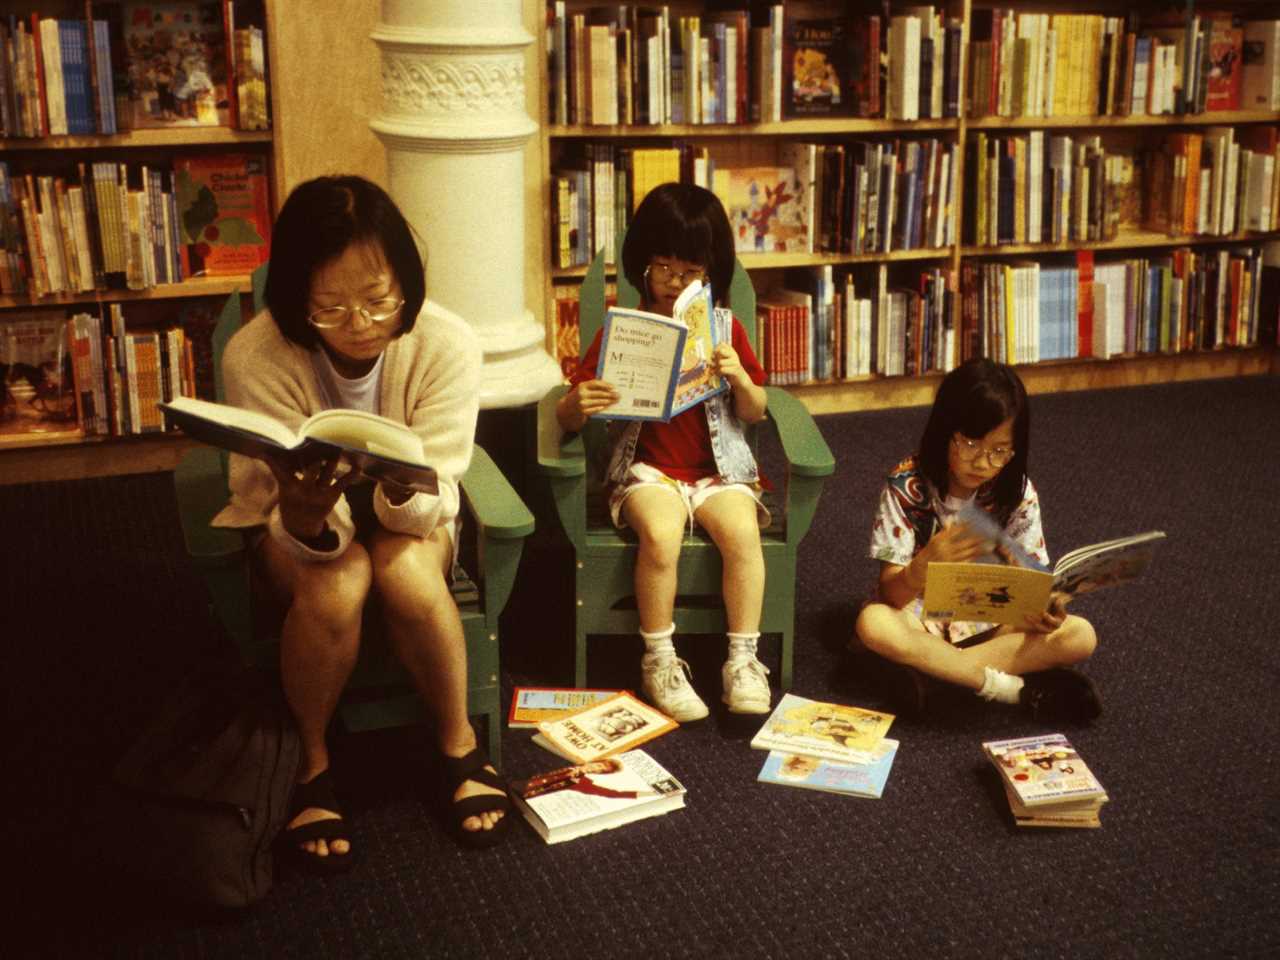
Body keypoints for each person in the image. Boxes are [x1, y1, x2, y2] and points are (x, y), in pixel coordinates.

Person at [211, 175, 510, 871]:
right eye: (329, 307)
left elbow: (439, 480)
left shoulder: (446, 344)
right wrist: (307, 516)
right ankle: (312, 763)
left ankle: (458, 742)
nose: (360, 325)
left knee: (405, 570)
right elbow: (266, 496)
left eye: (379, 300)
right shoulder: (256, 355)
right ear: (294, 297)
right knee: (335, 581)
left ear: (406, 281)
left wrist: (399, 490)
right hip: (297, 526)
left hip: (413, 519)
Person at [556, 182, 772, 722]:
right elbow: (568, 412)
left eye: (690, 272)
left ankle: (742, 659)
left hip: (718, 472)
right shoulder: (624, 332)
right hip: (647, 471)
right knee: (660, 531)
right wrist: (578, 405)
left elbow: (755, 411)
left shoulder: (725, 328)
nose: (675, 282)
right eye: (663, 269)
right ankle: (660, 658)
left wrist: (740, 378)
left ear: (710, 271)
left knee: (744, 533)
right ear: (642, 267)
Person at [853, 358, 1102, 724]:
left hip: (990, 622)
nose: (983, 462)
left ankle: (943, 675)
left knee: (1080, 635)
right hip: (921, 620)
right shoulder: (906, 486)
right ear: (944, 431)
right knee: (873, 624)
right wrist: (925, 564)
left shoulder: (1016, 492)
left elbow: (1031, 579)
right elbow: (891, 595)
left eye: (1000, 451)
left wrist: (1046, 607)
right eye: (970, 443)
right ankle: (1008, 689)